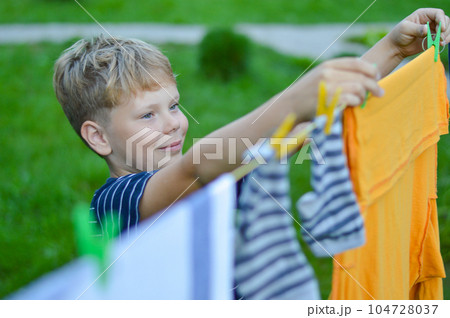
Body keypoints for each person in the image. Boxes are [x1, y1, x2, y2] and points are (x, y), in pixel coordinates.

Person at [53, 8, 450, 234]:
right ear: (99, 138)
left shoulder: (210, 166)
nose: (172, 124)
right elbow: (196, 167)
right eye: (147, 115)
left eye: (173, 106)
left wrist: (392, 50)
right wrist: (291, 100)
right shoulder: (112, 204)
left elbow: (293, 127)